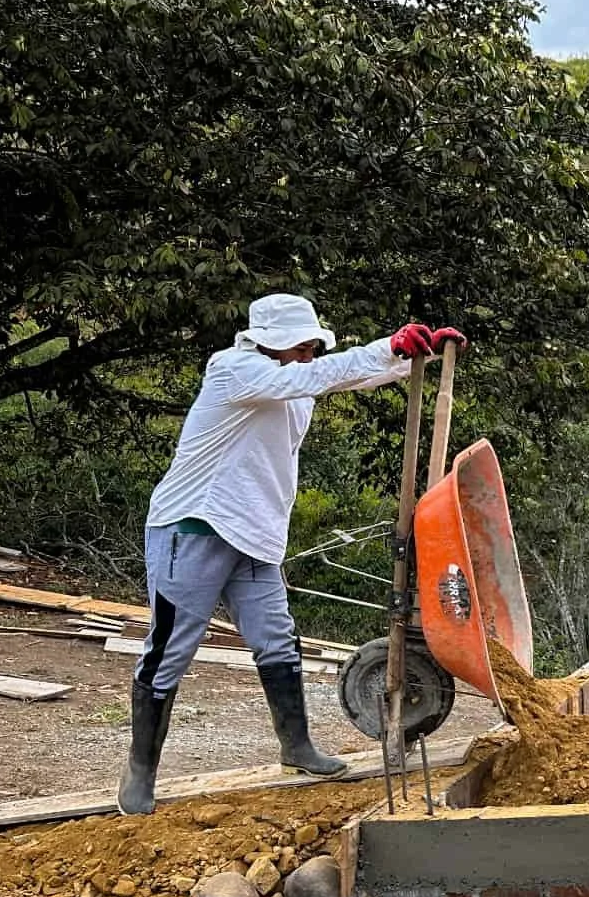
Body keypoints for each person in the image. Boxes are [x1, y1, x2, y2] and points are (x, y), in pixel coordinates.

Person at [119, 294, 464, 815]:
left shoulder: (295, 381)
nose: (308, 354)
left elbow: (342, 376)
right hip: (193, 528)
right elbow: (310, 377)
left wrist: (414, 356)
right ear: (275, 343)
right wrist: (385, 347)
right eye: (302, 346)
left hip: (254, 536)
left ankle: (296, 747)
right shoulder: (234, 370)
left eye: (311, 347)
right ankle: (140, 773)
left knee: (277, 639)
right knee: (171, 649)